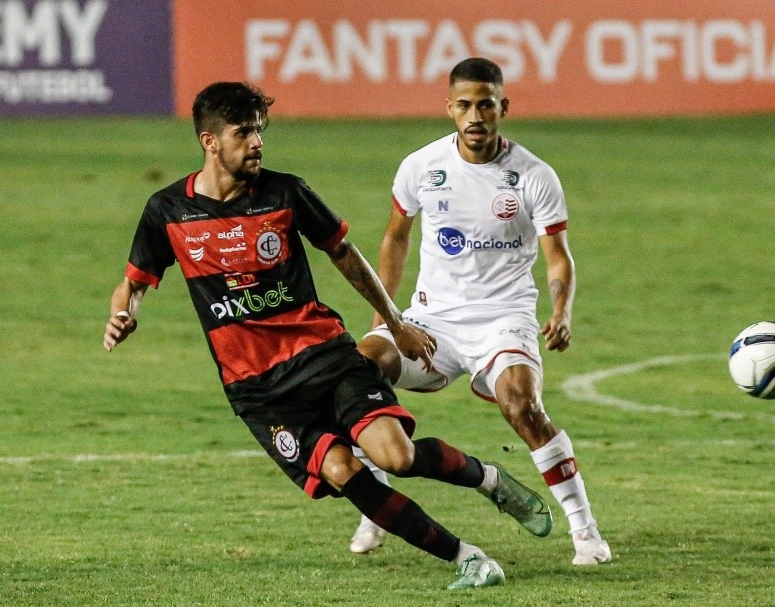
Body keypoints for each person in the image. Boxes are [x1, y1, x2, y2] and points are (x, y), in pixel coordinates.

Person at [102, 81, 556, 590]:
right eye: (243, 133)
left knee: (396, 457)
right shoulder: (168, 211)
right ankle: (468, 558)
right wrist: (125, 313)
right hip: (257, 390)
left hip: (322, 354)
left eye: (259, 132)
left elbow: (345, 254)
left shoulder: (285, 192)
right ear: (210, 142)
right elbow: (133, 282)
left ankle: (487, 478)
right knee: (342, 473)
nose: (257, 143)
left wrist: (394, 322)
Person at [349, 58, 612, 566]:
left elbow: (559, 257)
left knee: (522, 405)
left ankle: (586, 533)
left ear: (502, 108)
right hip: (432, 321)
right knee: (356, 370)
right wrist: (387, 318)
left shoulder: (534, 176)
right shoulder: (422, 167)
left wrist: (562, 309)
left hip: (502, 318)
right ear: (449, 108)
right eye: (465, 105)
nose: (475, 115)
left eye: (486, 104)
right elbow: (395, 238)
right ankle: (374, 507)